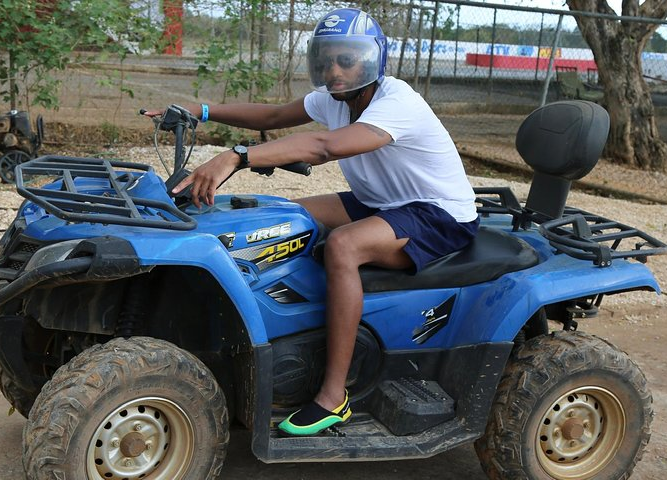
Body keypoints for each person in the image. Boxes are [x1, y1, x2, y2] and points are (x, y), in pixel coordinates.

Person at [147, 8, 479, 436]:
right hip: (381, 202)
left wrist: (238, 156)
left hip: (437, 213)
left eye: (346, 60)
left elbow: (324, 146)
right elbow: (270, 117)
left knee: (343, 245)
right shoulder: (333, 97)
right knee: (284, 217)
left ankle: (333, 395)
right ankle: (284, 326)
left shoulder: (398, 102)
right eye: (326, 61)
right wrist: (200, 109)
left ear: (372, 60)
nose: (334, 70)